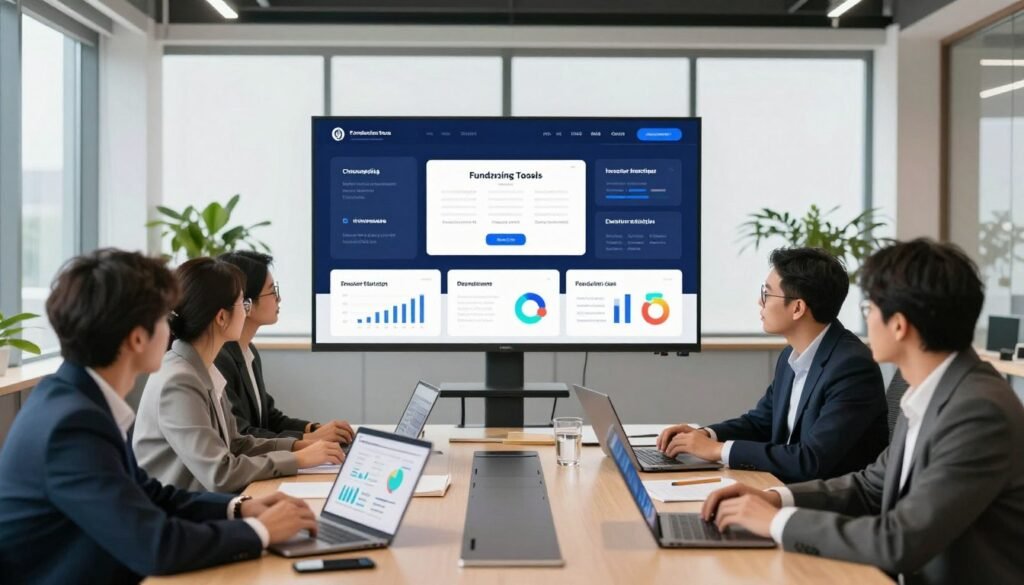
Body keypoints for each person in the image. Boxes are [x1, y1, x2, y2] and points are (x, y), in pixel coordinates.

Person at [702, 239, 1024, 585]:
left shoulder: (977, 411)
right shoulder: (929, 391)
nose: (864, 319)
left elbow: (900, 541)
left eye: (869, 307)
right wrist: (774, 497)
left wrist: (774, 523)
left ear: (898, 325)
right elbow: (870, 487)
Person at [0, 249, 319, 584]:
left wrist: (238, 510)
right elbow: (155, 546)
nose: (173, 327)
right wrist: (259, 532)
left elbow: (148, 493)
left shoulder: (77, 399)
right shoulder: (72, 425)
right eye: (162, 318)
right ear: (137, 338)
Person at [657, 247, 888, 483]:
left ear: (797, 308)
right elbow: (761, 423)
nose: (760, 301)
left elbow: (811, 460)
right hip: (782, 486)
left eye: (767, 294)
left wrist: (717, 450)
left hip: (825, 505)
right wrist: (706, 435)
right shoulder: (792, 355)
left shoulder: (851, 367)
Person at [133, 257, 344, 493]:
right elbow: (221, 473)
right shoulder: (179, 381)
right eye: (242, 303)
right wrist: (299, 459)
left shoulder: (201, 368)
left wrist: (298, 447)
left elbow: (236, 443)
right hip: (184, 517)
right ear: (221, 317)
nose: (246, 311)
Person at [214, 251, 352, 443]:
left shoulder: (248, 351)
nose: (279, 299)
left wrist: (313, 429)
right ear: (247, 304)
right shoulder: (219, 359)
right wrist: (307, 439)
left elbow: (268, 417)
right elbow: (241, 433)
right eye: (272, 291)